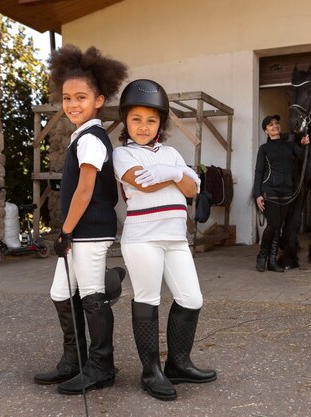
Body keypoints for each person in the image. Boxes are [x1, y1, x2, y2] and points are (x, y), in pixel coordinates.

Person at [113, 79, 217, 401]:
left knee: (192, 299)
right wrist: (177, 173)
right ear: (126, 121)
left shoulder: (171, 152)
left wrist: (173, 174)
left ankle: (178, 364)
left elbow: (192, 190)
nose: (143, 127)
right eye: (136, 119)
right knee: (148, 301)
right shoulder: (121, 154)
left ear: (161, 123)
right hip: (143, 238)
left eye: (151, 120)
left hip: (175, 238)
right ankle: (150, 372)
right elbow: (141, 183)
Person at [33, 45, 127, 396]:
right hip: (77, 232)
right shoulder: (80, 137)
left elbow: (86, 190)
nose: (72, 104)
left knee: (91, 297)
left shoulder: (92, 139)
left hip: (89, 231)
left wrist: (65, 231)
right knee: (61, 293)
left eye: (81, 97)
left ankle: (102, 367)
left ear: (99, 100)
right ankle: (75, 360)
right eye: (67, 97)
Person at [253, 114, 309, 272]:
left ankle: (272, 261)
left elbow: (302, 156)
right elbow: (259, 171)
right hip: (269, 189)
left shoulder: (289, 146)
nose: (275, 126)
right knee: (273, 224)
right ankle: (262, 256)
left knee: (279, 227)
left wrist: (304, 144)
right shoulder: (264, 149)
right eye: (270, 125)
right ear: (266, 130)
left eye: (277, 123)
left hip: (286, 190)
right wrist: (257, 194)